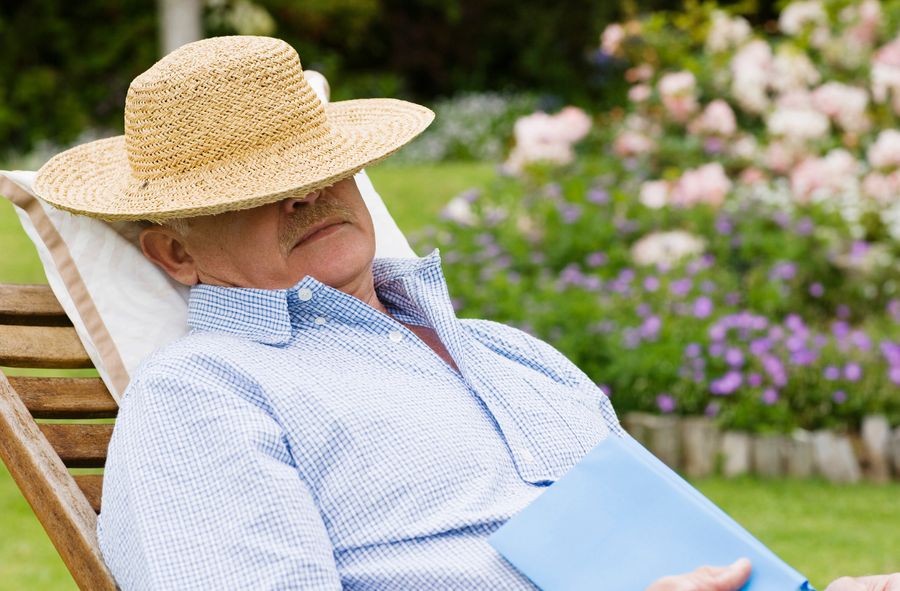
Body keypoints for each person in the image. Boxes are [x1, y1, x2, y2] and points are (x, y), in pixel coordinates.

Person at [34, 36, 898, 591]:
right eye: (253, 193)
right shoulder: (205, 393)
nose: (306, 196)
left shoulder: (512, 354)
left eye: (321, 168)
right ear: (175, 256)